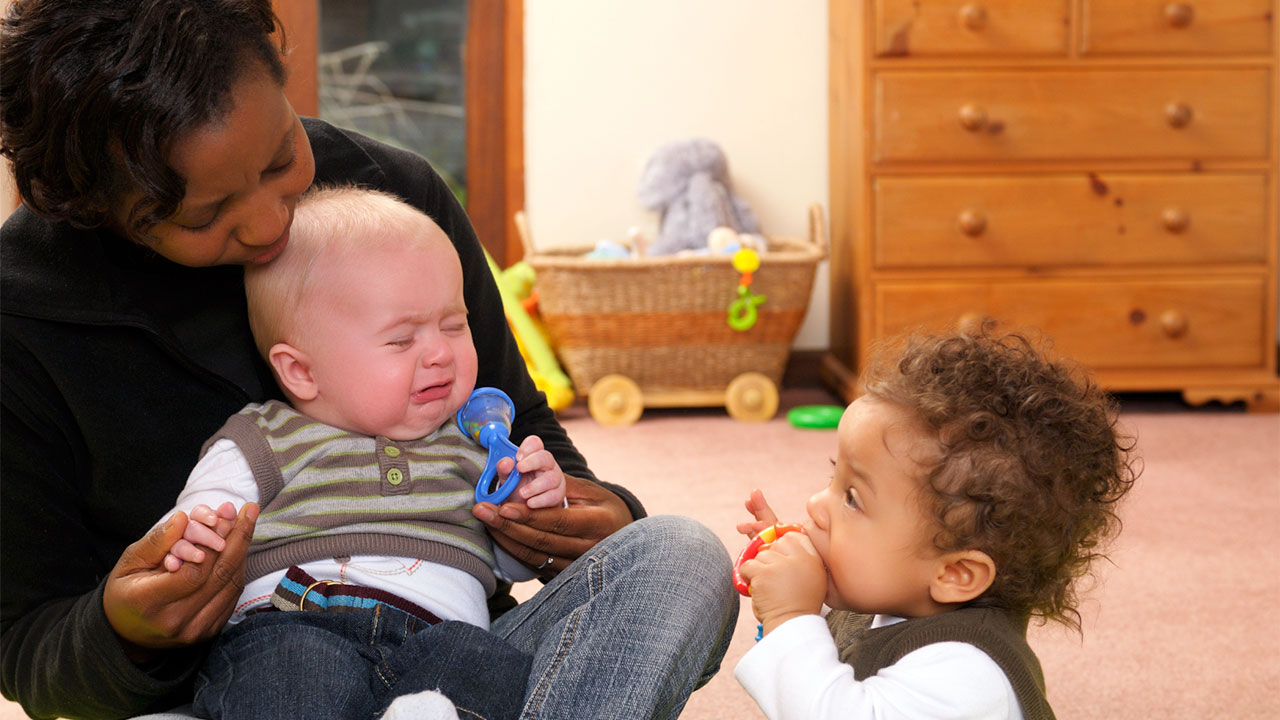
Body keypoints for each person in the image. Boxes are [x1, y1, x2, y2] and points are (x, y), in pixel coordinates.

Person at [0, 2, 737, 719]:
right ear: (96, 208)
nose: (269, 222)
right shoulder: (24, 315)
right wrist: (124, 632)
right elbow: (31, 652)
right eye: (202, 216)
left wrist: (572, 519)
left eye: (283, 156)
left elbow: (523, 426)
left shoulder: (394, 199)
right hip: (230, 682)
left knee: (678, 555)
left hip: (450, 660)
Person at [149, 186, 561, 719]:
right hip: (298, 618)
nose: (439, 353)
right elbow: (200, 517)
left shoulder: (475, 443)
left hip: (442, 636)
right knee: (292, 677)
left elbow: (513, 560)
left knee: (492, 663)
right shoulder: (263, 438)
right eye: (400, 340)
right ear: (301, 371)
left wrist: (532, 502)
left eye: (455, 325)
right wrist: (193, 538)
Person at [733, 328, 1137, 720]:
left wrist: (791, 616)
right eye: (835, 479)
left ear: (956, 573)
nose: (815, 504)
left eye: (853, 499)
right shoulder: (895, 594)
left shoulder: (966, 676)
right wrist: (795, 585)